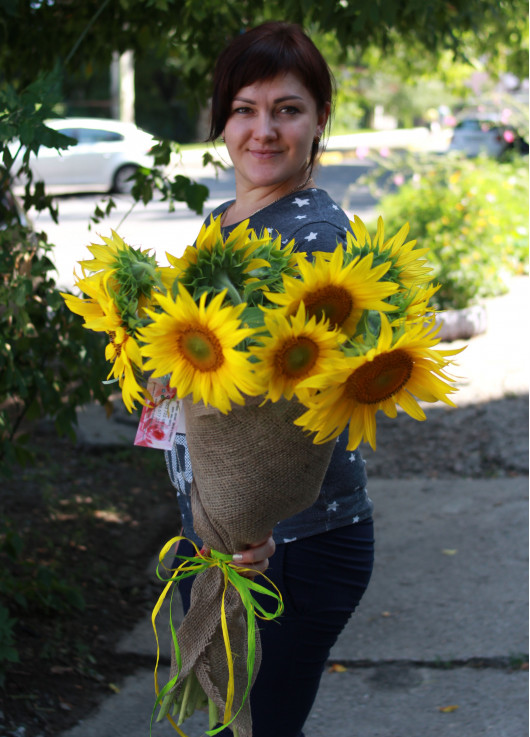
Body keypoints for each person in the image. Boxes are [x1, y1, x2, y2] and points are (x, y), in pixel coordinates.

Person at [165, 21, 374, 737]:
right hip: (237, 533)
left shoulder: (313, 234)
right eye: (245, 108)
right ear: (222, 119)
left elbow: (299, 414)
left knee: (261, 728)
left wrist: (258, 522)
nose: (264, 129)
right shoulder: (224, 221)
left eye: (287, 108)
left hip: (293, 545)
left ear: (319, 121)